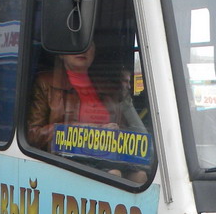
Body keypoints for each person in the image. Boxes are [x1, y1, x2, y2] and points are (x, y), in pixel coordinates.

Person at [26, 42, 148, 182]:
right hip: (68, 159)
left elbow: (130, 129)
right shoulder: (45, 83)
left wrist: (117, 131)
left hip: (110, 156)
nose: (82, 49)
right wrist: (81, 129)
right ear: (60, 53)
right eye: (75, 44)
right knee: (114, 175)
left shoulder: (107, 86)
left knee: (141, 176)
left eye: (88, 44)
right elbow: (32, 135)